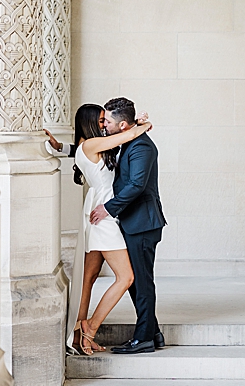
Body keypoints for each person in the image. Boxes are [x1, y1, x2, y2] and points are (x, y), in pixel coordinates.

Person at [65, 104, 152, 356]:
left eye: (106, 120)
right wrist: (142, 125)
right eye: (101, 120)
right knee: (126, 277)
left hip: (99, 213)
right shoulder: (90, 145)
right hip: (103, 218)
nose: (104, 125)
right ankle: (90, 328)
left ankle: (78, 336)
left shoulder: (86, 146)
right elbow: (126, 136)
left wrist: (61, 148)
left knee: (88, 278)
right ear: (90, 122)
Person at [90, 96, 167, 354]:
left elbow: (137, 185)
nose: (104, 126)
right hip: (133, 222)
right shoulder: (128, 141)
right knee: (135, 281)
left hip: (143, 223)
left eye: (108, 121)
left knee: (142, 283)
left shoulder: (142, 147)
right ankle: (152, 332)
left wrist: (107, 208)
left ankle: (143, 338)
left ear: (123, 125)